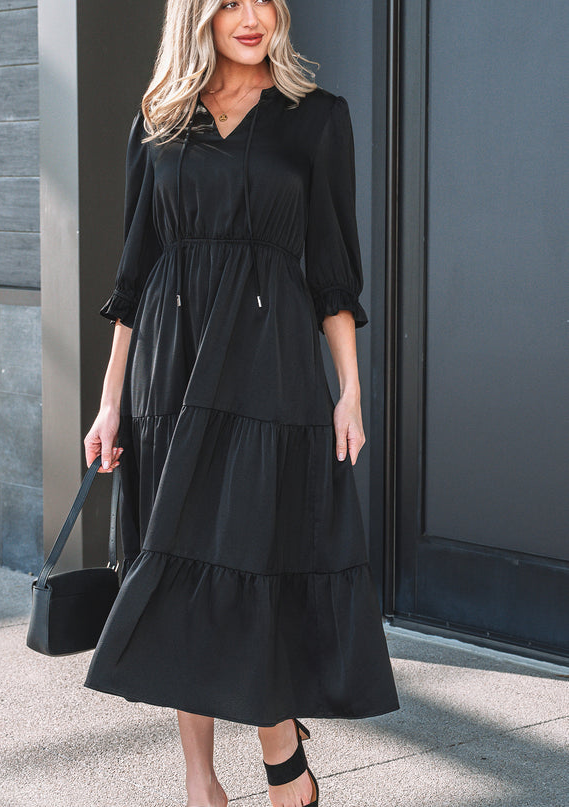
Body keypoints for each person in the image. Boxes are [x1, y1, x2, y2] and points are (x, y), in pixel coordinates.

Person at [83, 1, 400, 805]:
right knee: (180, 556)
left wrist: (349, 391)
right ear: (198, 15)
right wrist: (110, 403)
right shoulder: (158, 122)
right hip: (173, 368)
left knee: (255, 554)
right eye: (228, 0)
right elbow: (132, 276)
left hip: (272, 366)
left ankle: (283, 754)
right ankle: (200, 782)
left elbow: (331, 270)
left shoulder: (316, 119)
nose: (250, 15)